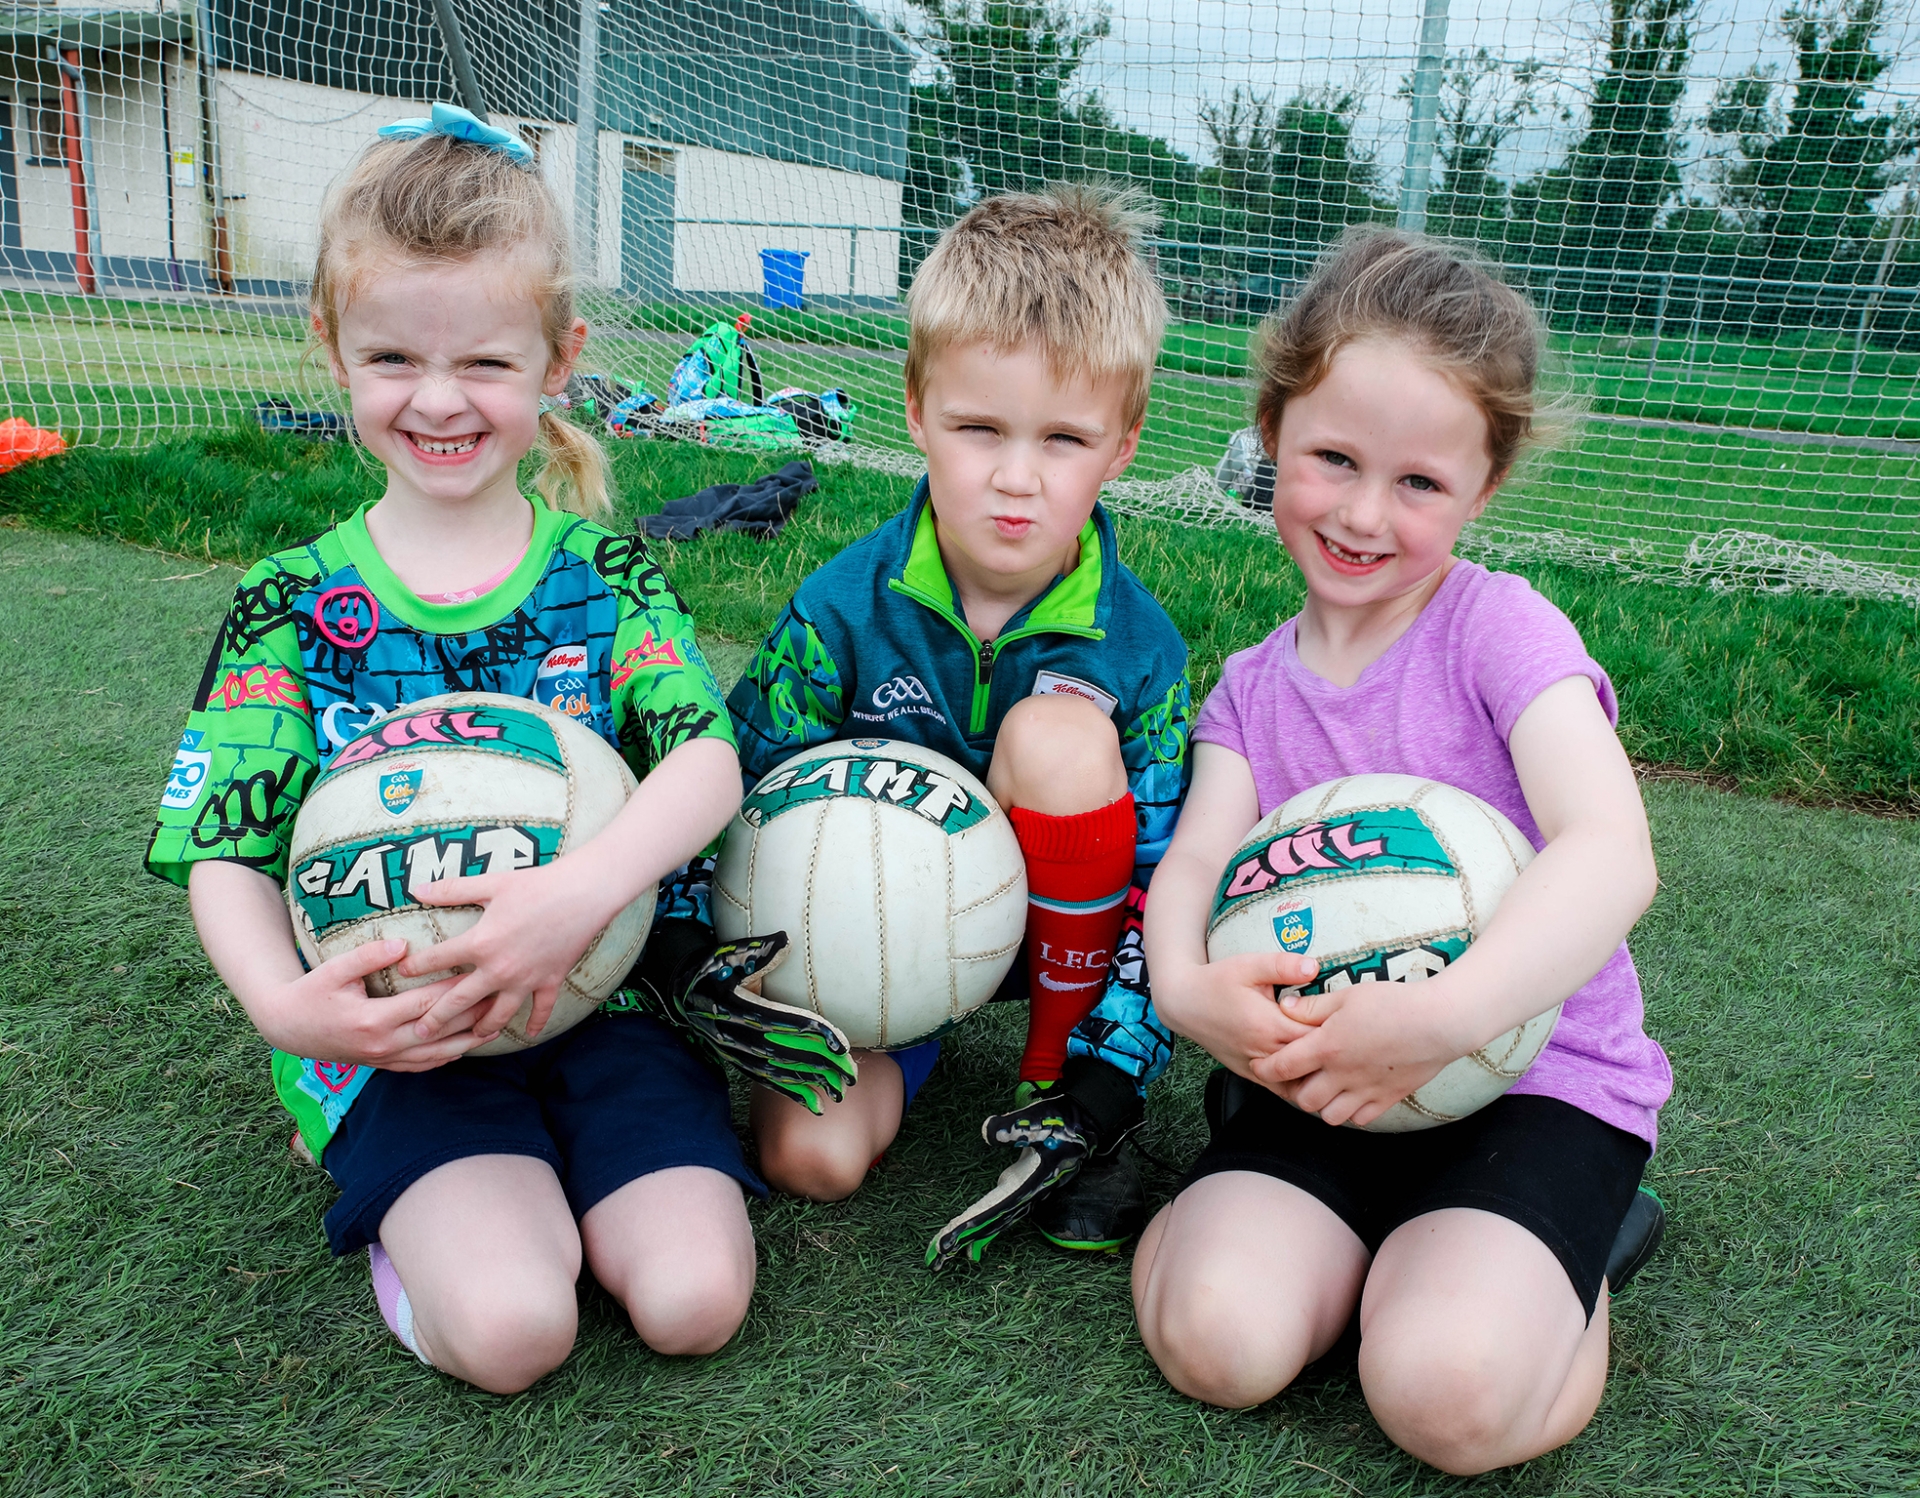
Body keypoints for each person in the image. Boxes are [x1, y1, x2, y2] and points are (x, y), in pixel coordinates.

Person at [144, 106, 849, 1395]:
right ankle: (419, 1207)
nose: (438, 398)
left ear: (558, 359)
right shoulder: (290, 601)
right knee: (520, 1332)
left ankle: (550, 1172)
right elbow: (226, 849)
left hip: (604, 1004)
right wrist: (281, 1004)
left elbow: (703, 762)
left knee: (696, 1301)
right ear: (333, 351)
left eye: (483, 361)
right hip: (399, 1030)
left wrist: (575, 895)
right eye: (394, 356)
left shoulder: (607, 576)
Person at [1132, 228, 1673, 1474]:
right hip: (1313, 1078)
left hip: (1536, 1085)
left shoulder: (1503, 633)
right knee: (1217, 1345)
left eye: (1421, 483)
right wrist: (1182, 984)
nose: (1365, 514)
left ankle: (1569, 1257)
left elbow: (1610, 852)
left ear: (1482, 490)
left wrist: (1443, 1019)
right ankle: (1336, 1243)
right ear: (1272, 435)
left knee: (1445, 1399)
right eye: (1332, 459)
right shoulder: (1252, 692)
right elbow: (1197, 865)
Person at [726, 184, 1193, 1266]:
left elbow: (1171, 878)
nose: (1015, 478)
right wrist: (725, 968)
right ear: (917, 407)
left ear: (1123, 443)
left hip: (1060, 952)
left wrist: (1115, 1067)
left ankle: (1058, 1088)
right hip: (877, 947)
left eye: (1064, 438)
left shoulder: (1141, 650)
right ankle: (901, 1038)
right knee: (812, 1160)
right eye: (980, 427)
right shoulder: (841, 605)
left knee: (1060, 736)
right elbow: (736, 791)